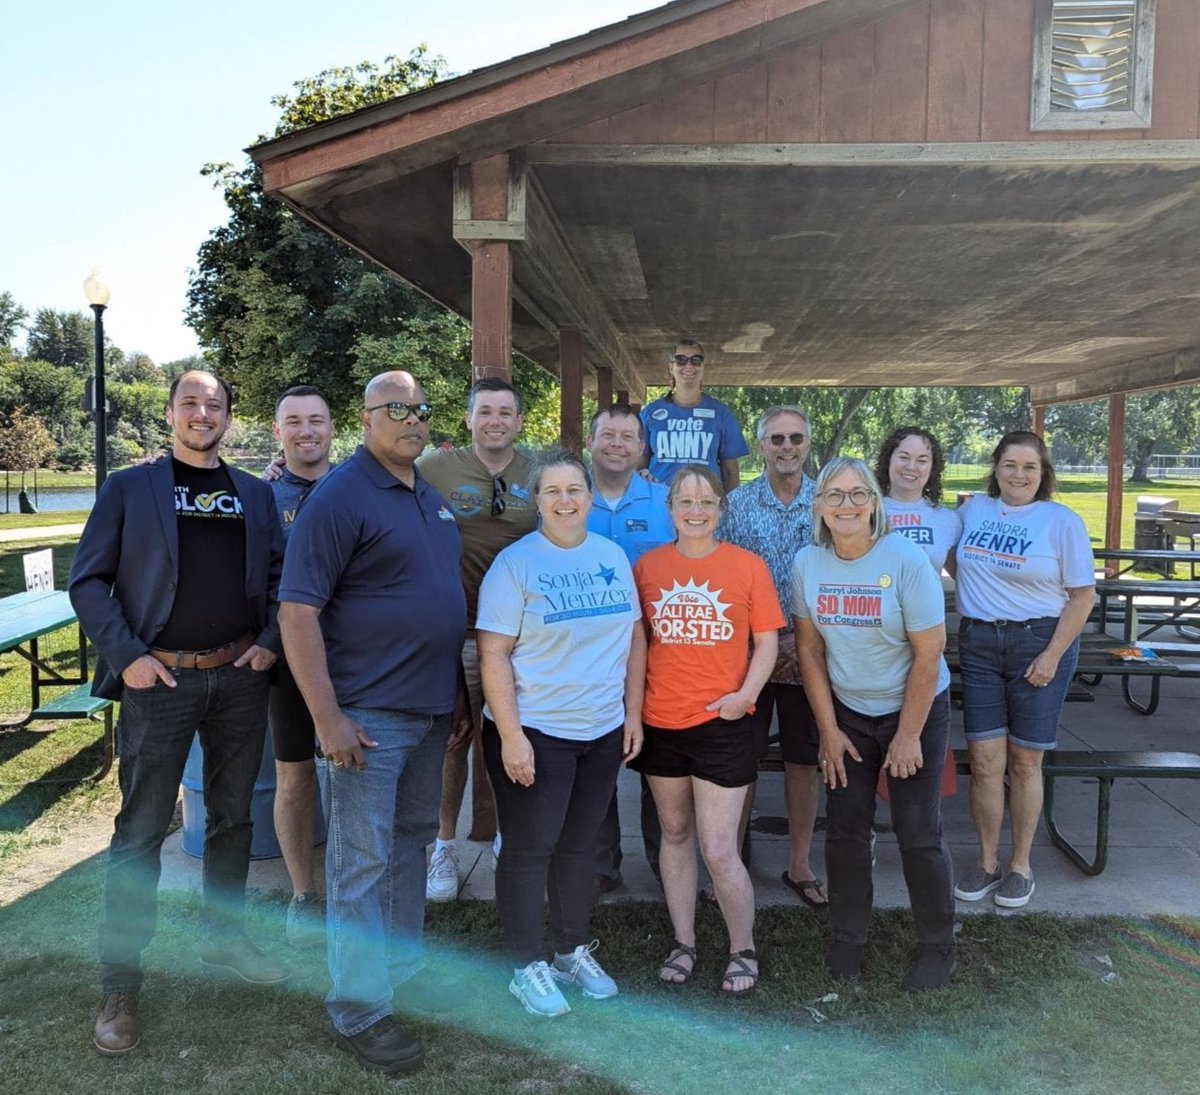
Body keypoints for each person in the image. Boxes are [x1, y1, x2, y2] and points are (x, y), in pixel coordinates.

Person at [70, 370, 287, 1058]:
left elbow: (285, 581)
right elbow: (89, 580)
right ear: (170, 413)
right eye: (189, 402)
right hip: (158, 679)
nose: (202, 413)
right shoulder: (130, 488)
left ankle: (224, 938)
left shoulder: (255, 494)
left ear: (229, 415)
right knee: (139, 832)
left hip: (238, 678)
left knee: (234, 817)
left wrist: (272, 643)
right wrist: (128, 654)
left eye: (214, 403)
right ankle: (120, 986)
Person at [278, 370, 469, 1076]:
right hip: (366, 716)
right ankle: (359, 1007)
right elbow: (296, 612)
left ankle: (397, 972)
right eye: (397, 409)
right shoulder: (340, 496)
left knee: (411, 841)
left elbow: (438, 599)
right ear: (365, 417)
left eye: (421, 408)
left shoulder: (426, 495)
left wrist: (453, 696)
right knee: (359, 860)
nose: (412, 419)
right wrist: (326, 716)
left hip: (426, 710)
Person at [477, 448, 643, 1017]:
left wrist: (632, 714)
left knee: (580, 847)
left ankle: (571, 950)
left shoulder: (613, 556)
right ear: (537, 500)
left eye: (575, 489)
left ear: (590, 496)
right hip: (536, 731)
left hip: (599, 730)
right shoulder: (516, 564)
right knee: (528, 850)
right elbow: (493, 653)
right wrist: (512, 737)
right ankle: (528, 966)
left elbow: (634, 639)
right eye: (553, 491)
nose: (566, 500)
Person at [792, 457, 955, 992]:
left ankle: (937, 946)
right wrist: (828, 730)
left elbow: (929, 652)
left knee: (917, 833)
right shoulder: (807, 564)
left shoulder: (907, 561)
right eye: (834, 495)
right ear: (818, 506)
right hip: (848, 715)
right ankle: (847, 939)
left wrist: (908, 735)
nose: (846, 505)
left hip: (914, 710)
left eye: (858, 493)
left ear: (875, 503)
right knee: (844, 832)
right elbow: (810, 654)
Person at [632, 464, 782, 997]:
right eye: (685, 501)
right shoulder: (647, 567)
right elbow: (638, 644)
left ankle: (742, 946)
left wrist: (745, 696)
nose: (696, 510)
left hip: (723, 722)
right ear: (670, 509)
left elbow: (766, 642)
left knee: (719, 849)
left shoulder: (747, 567)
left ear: (722, 508)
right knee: (674, 835)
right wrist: (634, 713)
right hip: (661, 723)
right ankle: (684, 939)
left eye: (706, 501)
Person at [952, 431, 1095, 910]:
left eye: (1029, 467)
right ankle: (987, 861)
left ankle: (1020, 866)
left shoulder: (1061, 522)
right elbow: (954, 559)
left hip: (1039, 642)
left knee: (1024, 761)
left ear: (1043, 473)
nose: (1018, 474)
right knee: (986, 762)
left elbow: (1082, 596)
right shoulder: (972, 511)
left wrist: (1051, 655)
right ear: (995, 468)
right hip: (978, 643)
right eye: (1010, 464)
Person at [417, 377, 537, 903]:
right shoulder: (434, 468)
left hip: (521, 636)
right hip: (453, 629)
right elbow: (373, 476)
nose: (495, 420)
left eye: (505, 412)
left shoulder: (537, 471)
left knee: (514, 735)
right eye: (485, 411)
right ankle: (444, 845)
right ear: (468, 419)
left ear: (518, 420)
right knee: (453, 741)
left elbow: (587, 489)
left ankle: (510, 837)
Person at [718, 405, 825, 908]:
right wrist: (764, 642)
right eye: (777, 439)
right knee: (742, 762)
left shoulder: (827, 503)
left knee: (805, 762)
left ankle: (799, 864)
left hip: (810, 657)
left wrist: (797, 642)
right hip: (749, 659)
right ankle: (731, 863)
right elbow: (725, 578)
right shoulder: (736, 505)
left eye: (796, 439)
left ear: (807, 443)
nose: (787, 447)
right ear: (761, 445)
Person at [585, 403, 673, 891]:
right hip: (591, 658)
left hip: (660, 655)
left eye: (627, 436)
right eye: (607, 434)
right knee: (597, 757)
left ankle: (667, 860)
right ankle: (601, 865)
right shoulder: (570, 499)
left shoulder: (664, 502)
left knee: (656, 761)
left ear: (642, 448)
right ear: (592, 443)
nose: (617, 443)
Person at [267, 385, 334, 945]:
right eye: (295, 421)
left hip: (356, 660)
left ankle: (353, 889)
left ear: (335, 427)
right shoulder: (262, 496)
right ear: (277, 432)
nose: (306, 430)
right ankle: (303, 894)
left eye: (316, 420)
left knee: (356, 775)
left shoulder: (358, 486)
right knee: (294, 778)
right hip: (288, 661)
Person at [639, 338, 749, 490]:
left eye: (696, 360)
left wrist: (731, 510)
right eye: (681, 360)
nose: (689, 366)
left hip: (705, 503)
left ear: (703, 367)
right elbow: (638, 465)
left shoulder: (721, 413)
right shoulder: (649, 413)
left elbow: (730, 471)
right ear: (671, 367)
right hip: (658, 502)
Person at [874, 426, 962, 574]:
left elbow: (966, 578)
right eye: (903, 457)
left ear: (932, 468)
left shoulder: (948, 520)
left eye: (922, 460)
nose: (911, 466)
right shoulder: (865, 512)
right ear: (888, 460)